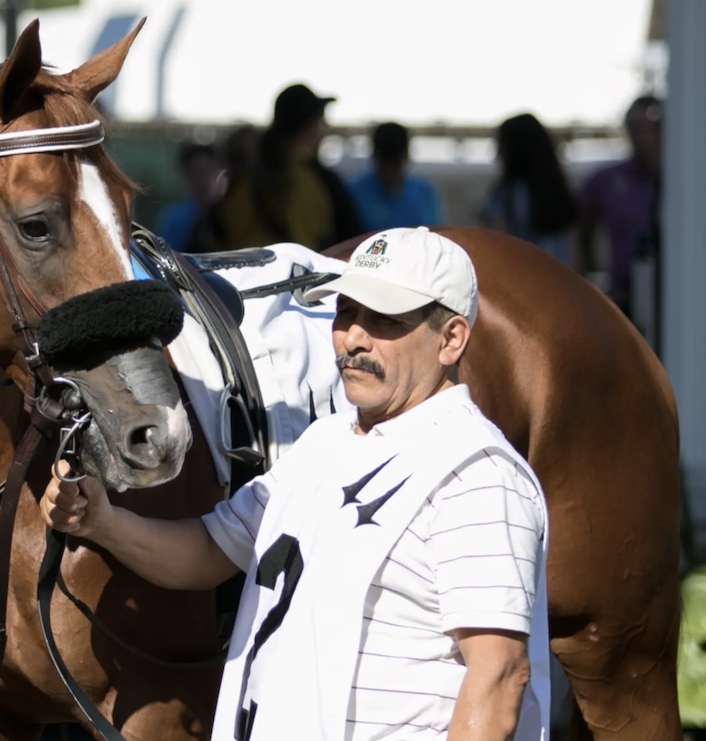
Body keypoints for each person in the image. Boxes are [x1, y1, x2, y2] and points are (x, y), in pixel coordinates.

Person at [41, 226, 550, 740]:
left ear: (452, 338)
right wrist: (102, 521)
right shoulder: (322, 444)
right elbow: (205, 553)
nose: (353, 337)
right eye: (347, 313)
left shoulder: (477, 474)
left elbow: (499, 674)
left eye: (384, 320)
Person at [213, 83, 364, 252]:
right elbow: (351, 246)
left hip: (241, 276)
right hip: (307, 277)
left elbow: (216, 236)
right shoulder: (322, 181)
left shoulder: (242, 179)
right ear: (312, 126)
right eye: (321, 121)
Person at [577, 95, 662, 319]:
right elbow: (581, 228)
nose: (644, 137)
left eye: (652, 129)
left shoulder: (685, 187)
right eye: (637, 128)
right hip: (624, 296)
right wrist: (588, 280)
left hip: (676, 293)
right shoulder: (606, 181)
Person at [478, 113, 578, 266]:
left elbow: (497, 246)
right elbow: (575, 253)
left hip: (522, 278)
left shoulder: (506, 194)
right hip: (561, 280)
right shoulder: (559, 192)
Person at [347, 121, 443, 231]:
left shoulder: (423, 192)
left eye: (395, 162)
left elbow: (434, 233)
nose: (390, 171)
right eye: (386, 162)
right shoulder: (353, 193)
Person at [156, 142, 224, 253]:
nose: (204, 178)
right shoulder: (174, 218)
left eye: (209, 170)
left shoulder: (231, 214)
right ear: (185, 176)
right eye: (197, 172)